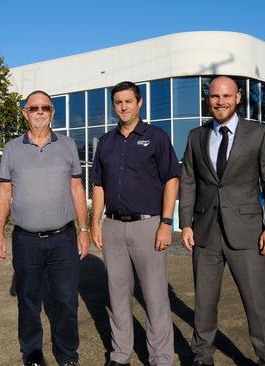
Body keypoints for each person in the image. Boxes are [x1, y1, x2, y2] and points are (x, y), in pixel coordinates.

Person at [178, 76, 265, 366]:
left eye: (226, 96)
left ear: (238, 97)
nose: (220, 101)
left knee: (257, 302)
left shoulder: (258, 134)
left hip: (247, 233)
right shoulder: (195, 136)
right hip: (205, 232)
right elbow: (188, 181)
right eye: (214, 96)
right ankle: (201, 356)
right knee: (204, 301)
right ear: (208, 99)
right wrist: (185, 223)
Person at [0, 90, 90, 366]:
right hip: (25, 240)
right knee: (28, 301)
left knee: (66, 301)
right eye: (33, 107)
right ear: (25, 113)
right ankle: (32, 354)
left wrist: (83, 230)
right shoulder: (12, 148)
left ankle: (68, 356)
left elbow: (76, 188)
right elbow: (3, 191)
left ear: (52, 112)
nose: (39, 112)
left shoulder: (68, 145)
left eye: (45, 107)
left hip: (63, 238)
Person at [90, 81, 180, 366]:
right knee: (117, 296)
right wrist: (95, 223)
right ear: (113, 106)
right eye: (118, 102)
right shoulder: (105, 142)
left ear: (139, 103)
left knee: (154, 296)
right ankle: (120, 355)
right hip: (113, 227)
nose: (124, 106)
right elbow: (98, 185)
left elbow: (172, 180)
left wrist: (166, 223)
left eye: (129, 101)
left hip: (148, 226)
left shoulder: (156, 137)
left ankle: (161, 358)